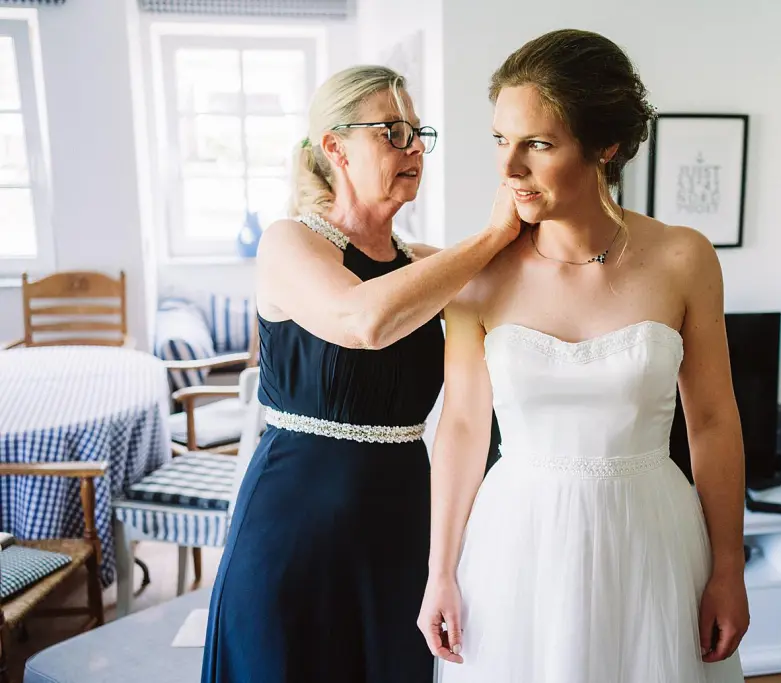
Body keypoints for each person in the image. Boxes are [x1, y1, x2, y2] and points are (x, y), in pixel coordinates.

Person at [418, 29, 749, 683]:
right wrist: (440, 572)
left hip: (652, 538)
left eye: (538, 144)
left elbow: (713, 420)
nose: (509, 167)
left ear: (606, 145)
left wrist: (729, 567)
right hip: (517, 544)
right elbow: (461, 426)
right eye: (500, 140)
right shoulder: (478, 275)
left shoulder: (684, 258)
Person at [201, 65, 520, 683]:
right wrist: (493, 235)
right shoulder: (288, 243)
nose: (414, 149)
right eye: (392, 132)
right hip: (296, 522)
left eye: (418, 133)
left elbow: (524, 293)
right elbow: (362, 321)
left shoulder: (425, 266)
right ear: (335, 147)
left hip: (402, 517)